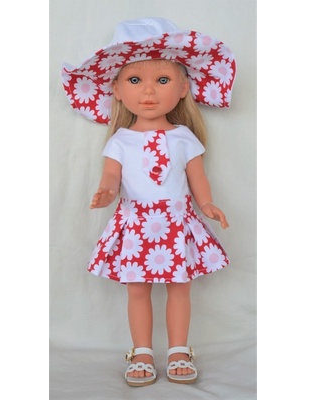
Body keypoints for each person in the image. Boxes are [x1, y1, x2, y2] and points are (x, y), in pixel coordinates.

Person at [62, 17, 236, 387]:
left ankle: (179, 351)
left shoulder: (184, 137)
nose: (149, 92)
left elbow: (197, 177)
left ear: (184, 88)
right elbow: (111, 175)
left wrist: (207, 204)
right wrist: (107, 192)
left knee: (180, 286)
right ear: (116, 89)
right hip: (135, 223)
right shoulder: (121, 140)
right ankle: (141, 351)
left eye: (163, 80)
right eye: (135, 80)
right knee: (137, 289)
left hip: (176, 221)